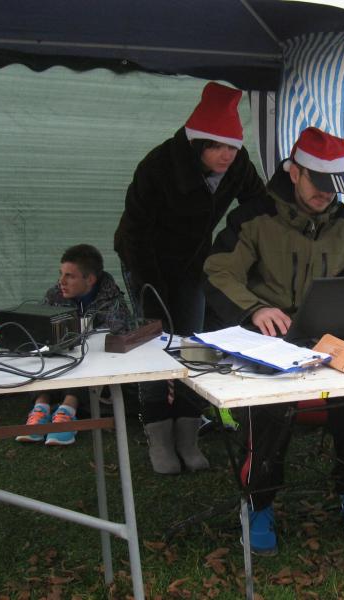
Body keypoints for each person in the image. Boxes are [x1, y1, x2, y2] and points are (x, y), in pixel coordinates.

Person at [203, 126, 344, 555]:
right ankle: (259, 502)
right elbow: (218, 270)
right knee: (270, 404)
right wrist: (254, 308)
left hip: (329, 339)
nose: (326, 194)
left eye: (333, 185)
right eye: (317, 183)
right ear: (294, 172)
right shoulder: (252, 218)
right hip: (268, 339)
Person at [114, 81, 267, 474]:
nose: (227, 155)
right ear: (197, 144)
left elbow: (258, 206)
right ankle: (159, 437)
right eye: (217, 147)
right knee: (156, 342)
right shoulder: (158, 165)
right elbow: (136, 232)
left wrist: (231, 247)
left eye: (233, 147)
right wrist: (152, 292)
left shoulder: (238, 166)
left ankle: (187, 433)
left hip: (194, 262)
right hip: (144, 258)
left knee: (193, 343)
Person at [15, 244, 131, 446]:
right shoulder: (54, 295)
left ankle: (67, 411)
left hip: (90, 364)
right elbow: (39, 331)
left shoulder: (111, 299)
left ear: (90, 279)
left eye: (69, 276)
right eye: (61, 274)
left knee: (88, 360)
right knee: (41, 354)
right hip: (58, 360)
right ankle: (40, 408)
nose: (61, 281)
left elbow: (120, 332)